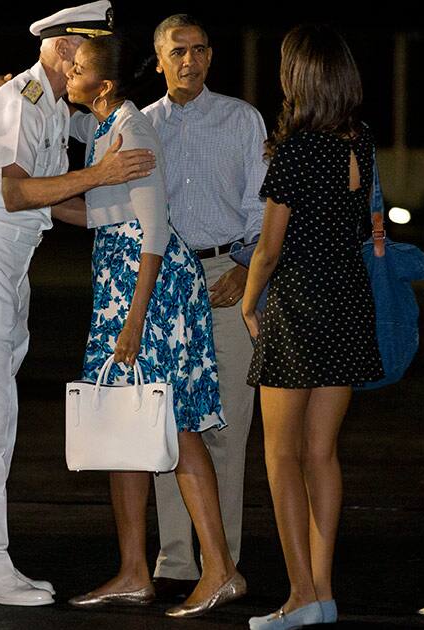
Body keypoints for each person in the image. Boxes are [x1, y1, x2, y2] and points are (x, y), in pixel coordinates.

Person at [0, 0, 157, 608]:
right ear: (64, 49)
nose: (93, 62)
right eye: (87, 50)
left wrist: (124, 211)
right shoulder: (21, 102)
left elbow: (47, 199)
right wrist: (102, 175)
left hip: (6, 264)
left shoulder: (41, 105)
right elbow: (15, 192)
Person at [57, 33, 245, 618]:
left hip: (149, 287)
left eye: (78, 69)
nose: (68, 77)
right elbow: (97, 210)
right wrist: (18, 200)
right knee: (121, 428)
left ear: (105, 84)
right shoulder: (103, 129)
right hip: (120, 281)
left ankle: (219, 572)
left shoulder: (134, 132)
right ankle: (135, 571)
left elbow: (154, 230)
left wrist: (135, 319)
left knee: (173, 423)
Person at [241, 24, 384, 629]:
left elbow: (269, 250)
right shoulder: (361, 139)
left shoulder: (297, 149)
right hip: (349, 303)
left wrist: (250, 303)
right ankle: (321, 591)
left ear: (301, 76)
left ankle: (300, 594)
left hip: (299, 306)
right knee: (322, 454)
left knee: (280, 456)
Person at [140, 15, 267, 595]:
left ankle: (225, 563)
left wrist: (246, 268)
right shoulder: (140, 126)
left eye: (198, 51)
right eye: (177, 51)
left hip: (227, 274)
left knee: (227, 428)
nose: (188, 61)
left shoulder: (242, 120)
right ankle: (176, 561)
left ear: (211, 57)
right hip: (163, 277)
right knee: (168, 425)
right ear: (159, 58)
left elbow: (262, 206)